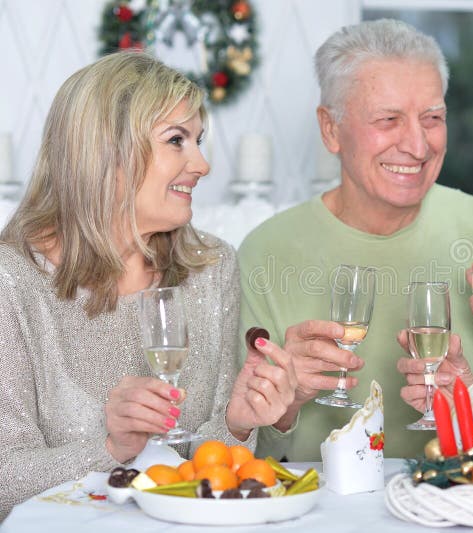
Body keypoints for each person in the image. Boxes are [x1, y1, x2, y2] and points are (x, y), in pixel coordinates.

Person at [0, 51, 297, 519]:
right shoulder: (13, 279)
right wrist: (112, 448)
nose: (201, 164)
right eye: (176, 140)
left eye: (198, 140)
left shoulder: (211, 268)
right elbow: (6, 478)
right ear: (104, 152)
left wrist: (238, 424)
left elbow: (207, 466)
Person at [238, 18, 473, 461]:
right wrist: (284, 404)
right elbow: (248, 451)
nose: (418, 146)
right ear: (330, 129)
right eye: (388, 120)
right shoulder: (266, 251)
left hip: (461, 501)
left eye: (432, 119)